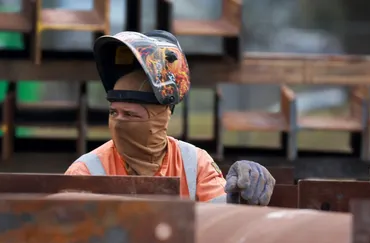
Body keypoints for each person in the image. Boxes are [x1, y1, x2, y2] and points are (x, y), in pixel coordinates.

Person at [64, 30, 275, 205]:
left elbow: (222, 217)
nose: (119, 123)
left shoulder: (194, 163)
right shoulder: (86, 171)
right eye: (113, 112)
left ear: (161, 118)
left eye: (130, 115)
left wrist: (240, 194)